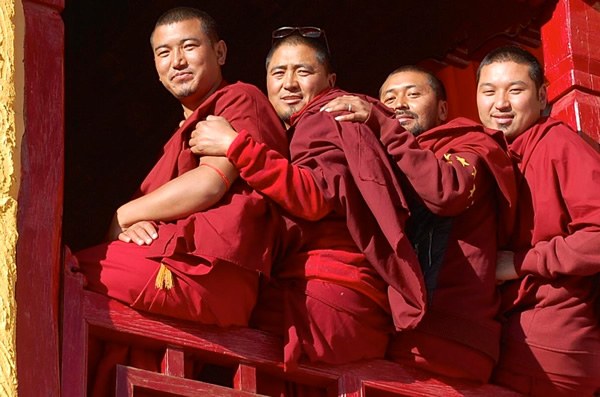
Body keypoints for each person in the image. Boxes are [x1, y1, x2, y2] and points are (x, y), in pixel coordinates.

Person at [72, 7, 289, 395]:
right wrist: (133, 230)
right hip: (173, 261)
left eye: (189, 46)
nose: (177, 61)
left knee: (63, 272)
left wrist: (124, 215)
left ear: (219, 52)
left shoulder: (240, 99)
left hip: (211, 273)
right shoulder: (179, 135)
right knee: (119, 346)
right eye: (164, 52)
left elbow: (210, 183)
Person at [189, 28, 429, 370]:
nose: (288, 83)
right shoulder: (308, 126)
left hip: (326, 293)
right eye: (278, 73)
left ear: (330, 80)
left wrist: (235, 145)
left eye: (303, 72)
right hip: (345, 303)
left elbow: (313, 197)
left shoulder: (327, 116)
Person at [321, 66, 518, 383]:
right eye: (389, 97)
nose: (399, 103)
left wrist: (383, 124)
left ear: (443, 109)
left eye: (413, 94)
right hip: (402, 335)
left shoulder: (470, 144)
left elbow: (447, 191)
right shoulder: (389, 155)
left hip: (451, 333)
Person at [476, 45, 600, 396]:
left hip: (549, 337)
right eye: (489, 91)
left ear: (542, 95)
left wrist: (519, 263)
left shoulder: (557, 142)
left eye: (515, 90)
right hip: (508, 333)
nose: (500, 103)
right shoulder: (486, 154)